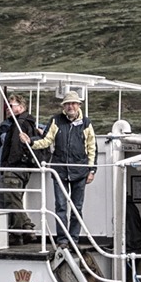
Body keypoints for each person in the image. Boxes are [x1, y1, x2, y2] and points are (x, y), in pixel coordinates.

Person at [30, 92, 95, 236]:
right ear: (63, 107)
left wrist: (92, 170)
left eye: (73, 103)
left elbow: (92, 147)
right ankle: (63, 240)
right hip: (59, 171)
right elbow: (46, 140)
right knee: (60, 207)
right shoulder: (56, 120)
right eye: (67, 104)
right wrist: (31, 142)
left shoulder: (86, 123)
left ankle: (74, 239)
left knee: (77, 208)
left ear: (79, 105)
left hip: (80, 170)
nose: (70, 106)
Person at [0, 96, 42, 235]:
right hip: (13, 167)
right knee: (10, 199)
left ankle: (25, 227)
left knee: (12, 200)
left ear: (21, 107)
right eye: (7, 106)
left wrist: (9, 164)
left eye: (11, 105)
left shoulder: (21, 123)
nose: (8, 109)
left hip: (14, 168)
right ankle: (15, 232)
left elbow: (16, 147)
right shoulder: (13, 123)